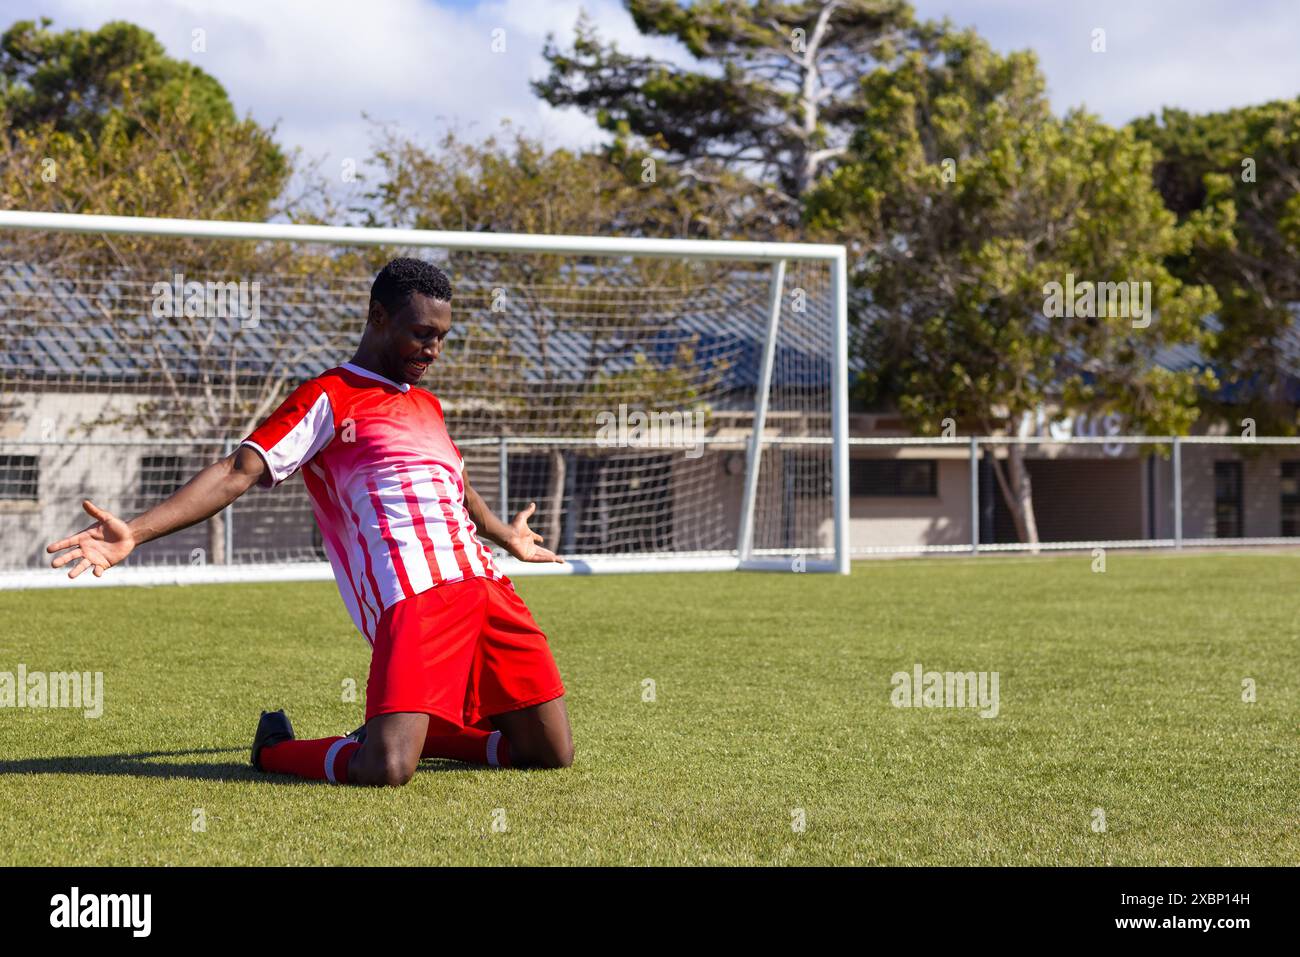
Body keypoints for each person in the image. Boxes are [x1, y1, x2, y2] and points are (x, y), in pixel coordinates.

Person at [46, 257, 574, 785]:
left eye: (442, 338)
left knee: (550, 751)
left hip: (488, 587)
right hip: (418, 593)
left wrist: (506, 535)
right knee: (385, 769)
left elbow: (457, 487)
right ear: (377, 317)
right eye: (422, 334)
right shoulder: (330, 396)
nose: (433, 351)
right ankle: (275, 749)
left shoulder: (428, 406)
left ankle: (427, 730)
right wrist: (135, 532)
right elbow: (237, 470)